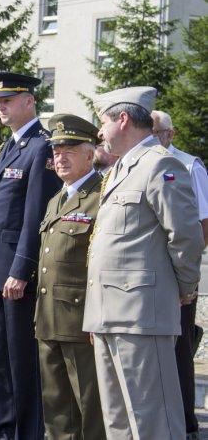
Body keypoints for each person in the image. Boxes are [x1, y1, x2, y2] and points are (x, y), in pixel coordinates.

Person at [84, 87, 203, 439]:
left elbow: (186, 236)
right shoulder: (119, 170)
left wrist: (182, 288)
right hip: (109, 313)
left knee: (154, 422)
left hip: (142, 314)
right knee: (119, 420)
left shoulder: (159, 164)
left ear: (123, 119)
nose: (99, 132)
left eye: (102, 121)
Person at [0, 72, 60, 440]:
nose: (1, 107)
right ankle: (5, 430)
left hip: (15, 274)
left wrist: (22, 269)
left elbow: (36, 214)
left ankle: (26, 433)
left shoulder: (41, 147)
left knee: (21, 362)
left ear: (29, 101)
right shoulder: (7, 147)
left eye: (8, 100)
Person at [35, 114, 105, 440]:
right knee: (57, 408)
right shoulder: (55, 200)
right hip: (49, 318)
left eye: (69, 150)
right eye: (56, 150)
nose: (59, 157)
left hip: (80, 321)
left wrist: (98, 318)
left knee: (90, 408)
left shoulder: (102, 197)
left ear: (90, 154)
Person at [152, 109, 208, 440]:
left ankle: (186, 423)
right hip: (150, 274)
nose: (150, 136)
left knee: (178, 347)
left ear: (170, 134)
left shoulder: (188, 166)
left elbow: (202, 224)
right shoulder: (140, 164)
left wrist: (184, 272)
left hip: (177, 274)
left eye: (156, 131)